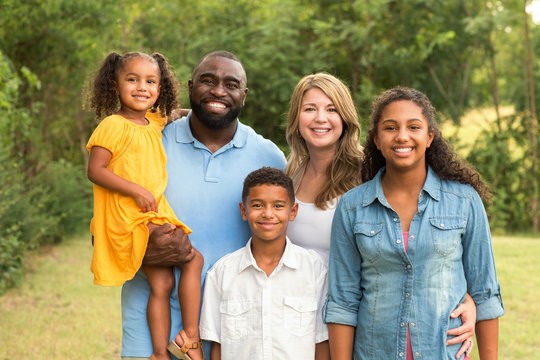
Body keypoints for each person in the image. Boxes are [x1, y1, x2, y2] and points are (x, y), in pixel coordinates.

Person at [285, 73, 477, 359]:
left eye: (331, 108)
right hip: (295, 314)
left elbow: (426, 242)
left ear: (346, 117)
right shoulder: (288, 172)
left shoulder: (370, 173)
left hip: (358, 324)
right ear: (296, 118)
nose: (320, 118)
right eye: (310, 108)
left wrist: (467, 299)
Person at [120, 51, 286, 359]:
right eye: (208, 81)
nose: (219, 91)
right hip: (151, 319)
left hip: (235, 325)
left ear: (244, 95)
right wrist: (141, 247)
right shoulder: (151, 141)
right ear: (190, 86)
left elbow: (285, 242)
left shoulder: (269, 157)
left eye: (231, 84)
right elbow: (104, 228)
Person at [325, 86, 504, 359]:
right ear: (375, 139)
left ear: (429, 136)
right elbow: (342, 302)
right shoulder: (352, 207)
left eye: (414, 127)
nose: (402, 136)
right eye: (390, 127)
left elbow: (486, 294)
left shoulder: (464, 201)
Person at [86, 51, 204, 360]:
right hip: (132, 217)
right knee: (193, 261)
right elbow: (95, 170)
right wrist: (135, 190)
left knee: (163, 282)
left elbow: (175, 113)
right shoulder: (112, 125)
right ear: (115, 85)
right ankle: (189, 339)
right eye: (132, 80)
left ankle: (160, 352)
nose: (142, 87)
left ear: (160, 88)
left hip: (151, 213)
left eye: (151, 81)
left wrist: (201, 109)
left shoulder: (153, 121)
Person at [199, 167, 328, 359]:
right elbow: (217, 346)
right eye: (258, 205)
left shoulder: (314, 269)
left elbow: (321, 341)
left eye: (278, 206)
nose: (268, 214)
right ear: (244, 211)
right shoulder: (222, 273)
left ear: (293, 212)